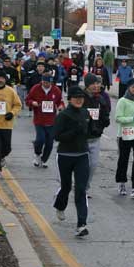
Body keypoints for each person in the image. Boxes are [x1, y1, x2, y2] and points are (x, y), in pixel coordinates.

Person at [53, 87, 91, 238]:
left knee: (81, 189)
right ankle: (60, 205)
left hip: (82, 155)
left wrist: (96, 129)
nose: (79, 100)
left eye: (81, 97)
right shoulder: (63, 115)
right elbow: (57, 136)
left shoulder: (85, 112)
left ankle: (81, 224)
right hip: (65, 155)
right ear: (70, 99)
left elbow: (89, 131)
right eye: (76, 97)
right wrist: (75, 131)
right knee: (66, 186)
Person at [26, 71, 64, 168]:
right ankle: (37, 154)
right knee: (40, 139)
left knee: (50, 143)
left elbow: (61, 102)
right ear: (42, 81)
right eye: (45, 82)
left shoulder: (56, 90)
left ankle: (44, 159)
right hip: (39, 119)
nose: (46, 85)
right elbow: (28, 100)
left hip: (51, 120)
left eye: (48, 83)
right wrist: (33, 103)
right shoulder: (36, 88)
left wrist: (60, 107)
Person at [83, 74, 111, 196]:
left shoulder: (101, 99)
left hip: (95, 138)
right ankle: (81, 187)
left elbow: (106, 114)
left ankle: (85, 187)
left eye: (97, 83)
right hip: (82, 138)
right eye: (93, 84)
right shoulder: (81, 97)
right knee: (83, 165)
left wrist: (102, 124)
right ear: (87, 85)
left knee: (93, 165)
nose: (96, 86)